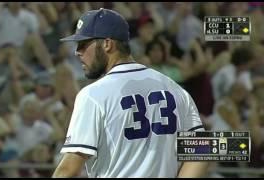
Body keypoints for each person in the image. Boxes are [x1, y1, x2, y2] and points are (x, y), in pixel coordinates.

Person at [52, 8, 208, 178]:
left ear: (107, 44)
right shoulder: (175, 89)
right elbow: (201, 149)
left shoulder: (92, 95)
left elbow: (68, 170)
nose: (77, 52)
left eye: (83, 44)